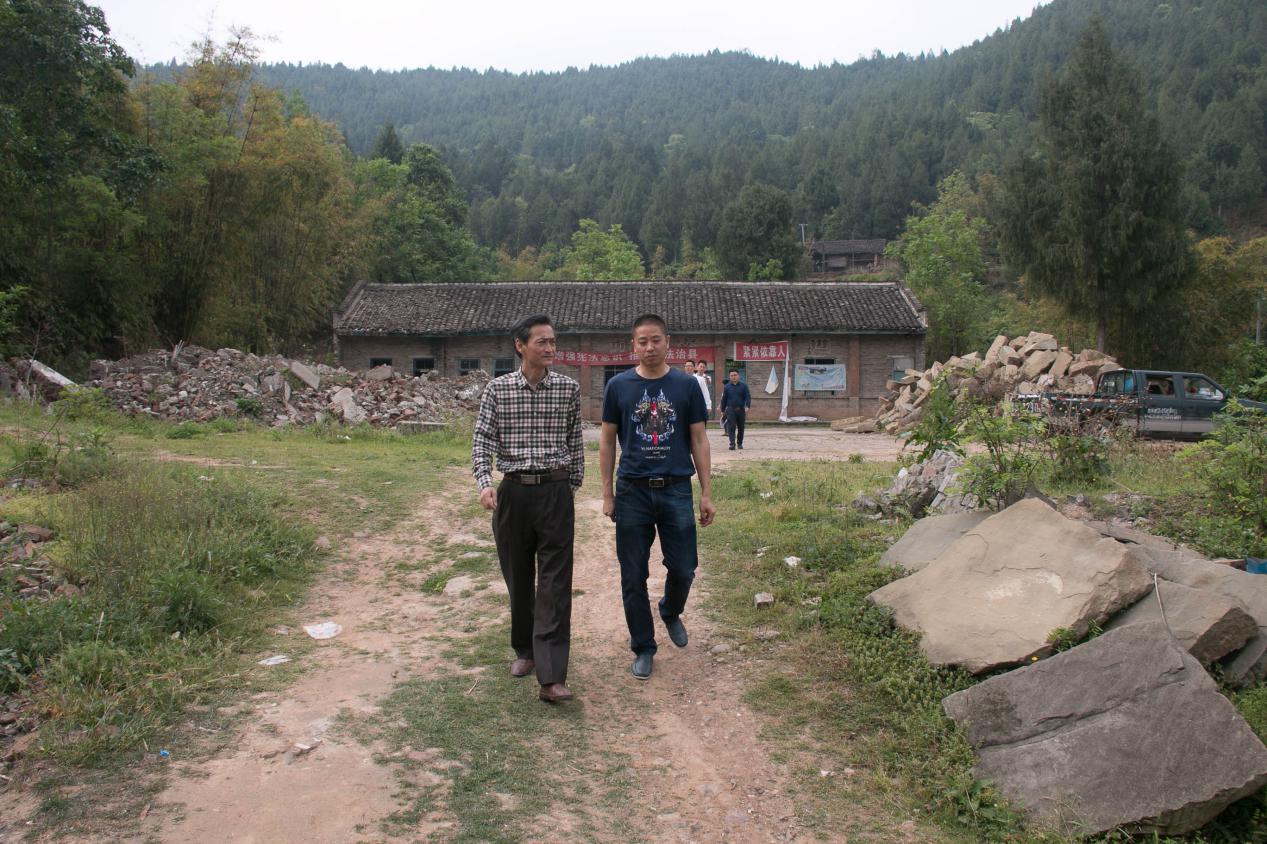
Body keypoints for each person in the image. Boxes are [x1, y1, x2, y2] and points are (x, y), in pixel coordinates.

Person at [472, 314, 584, 704]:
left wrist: (570, 486)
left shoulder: (568, 389)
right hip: (514, 493)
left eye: (553, 341)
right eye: (542, 342)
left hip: (554, 490)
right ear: (520, 346)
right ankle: (525, 650)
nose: (550, 348)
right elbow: (482, 440)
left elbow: (575, 440)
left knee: (555, 583)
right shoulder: (497, 390)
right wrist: (485, 482)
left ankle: (551, 676)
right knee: (518, 577)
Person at [600, 314, 715, 680]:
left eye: (655, 340)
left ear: (668, 343)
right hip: (632, 490)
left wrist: (706, 492)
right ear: (633, 346)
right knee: (632, 574)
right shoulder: (618, 386)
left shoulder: (686, 386)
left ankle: (670, 610)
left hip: (676, 488)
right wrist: (607, 493)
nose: (649, 347)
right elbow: (607, 441)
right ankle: (643, 646)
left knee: (684, 567)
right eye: (642, 341)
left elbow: (699, 439)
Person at [720, 369, 752, 450]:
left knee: (741, 427)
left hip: (741, 409)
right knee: (731, 427)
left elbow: (748, 397)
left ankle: (739, 443)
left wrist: (747, 406)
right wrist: (722, 409)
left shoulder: (744, 386)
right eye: (732, 375)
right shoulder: (727, 387)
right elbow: (724, 399)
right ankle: (732, 444)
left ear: (738, 376)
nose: (733, 377)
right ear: (730, 377)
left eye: (735, 375)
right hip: (730, 409)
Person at [691, 359, 713, 425]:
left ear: (705, 369)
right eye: (700, 366)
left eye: (703, 367)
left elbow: (708, 384)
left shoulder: (707, 377)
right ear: (697, 367)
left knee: (702, 420)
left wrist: (708, 406)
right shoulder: (692, 377)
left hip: (703, 400)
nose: (702, 368)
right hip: (694, 400)